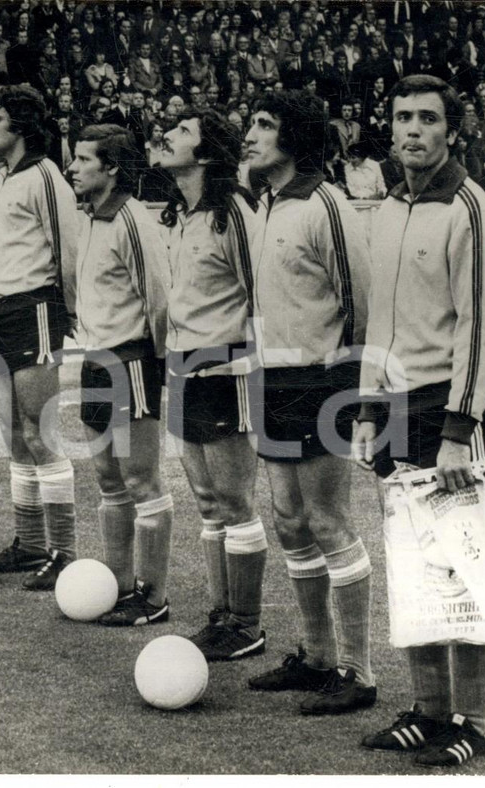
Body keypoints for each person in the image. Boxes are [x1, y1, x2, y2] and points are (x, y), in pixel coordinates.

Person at [354, 74, 485, 769]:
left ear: (452, 131)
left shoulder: (470, 209)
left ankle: (470, 721)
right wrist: (364, 408)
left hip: (451, 412)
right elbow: (376, 323)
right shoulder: (386, 208)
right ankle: (425, 710)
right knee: (412, 564)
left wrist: (456, 428)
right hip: (391, 408)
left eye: (426, 119)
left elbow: (479, 330)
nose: (411, 130)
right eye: (401, 118)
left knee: (462, 566)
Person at [243, 88, 375, 716]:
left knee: (328, 522)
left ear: (293, 137)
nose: (250, 135)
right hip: (273, 378)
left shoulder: (327, 203)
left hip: (323, 382)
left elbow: (362, 303)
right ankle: (315, 655)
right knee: (290, 521)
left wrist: (356, 391)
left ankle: (358, 669)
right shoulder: (266, 202)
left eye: (264, 126)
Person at [156, 108, 268, 659]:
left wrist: (252, 367)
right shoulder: (178, 215)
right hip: (183, 367)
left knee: (234, 499)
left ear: (205, 153)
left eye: (180, 132)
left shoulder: (236, 212)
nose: (167, 137)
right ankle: (222, 615)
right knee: (206, 500)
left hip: (228, 370)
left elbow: (260, 295)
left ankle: (247, 623)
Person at [66, 124, 172, 625]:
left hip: (131, 360)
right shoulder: (87, 217)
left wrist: (155, 365)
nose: (73, 167)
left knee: (141, 480)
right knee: (108, 479)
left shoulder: (133, 219)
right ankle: (118, 585)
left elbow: (160, 299)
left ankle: (153, 597)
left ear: (111, 167)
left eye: (84, 160)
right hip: (94, 359)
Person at [0, 85, 81, 590]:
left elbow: (67, 248)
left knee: (40, 430)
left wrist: (69, 310)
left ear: (19, 125)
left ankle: (64, 551)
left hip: (36, 307)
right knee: (13, 433)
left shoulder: (46, 177)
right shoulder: (0, 178)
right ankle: (29, 542)